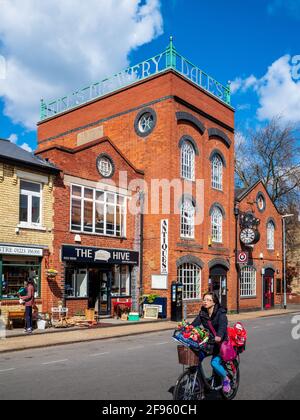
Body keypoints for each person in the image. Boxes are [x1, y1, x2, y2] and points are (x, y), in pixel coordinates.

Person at [191, 292, 231, 394]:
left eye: (208, 300)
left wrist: (219, 336)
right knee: (195, 359)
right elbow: (195, 324)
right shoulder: (203, 313)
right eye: (204, 299)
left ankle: (226, 379)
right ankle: (198, 382)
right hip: (209, 342)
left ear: (214, 302)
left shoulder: (220, 313)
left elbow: (223, 326)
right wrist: (186, 329)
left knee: (214, 363)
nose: (205, 301)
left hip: (220, 343)